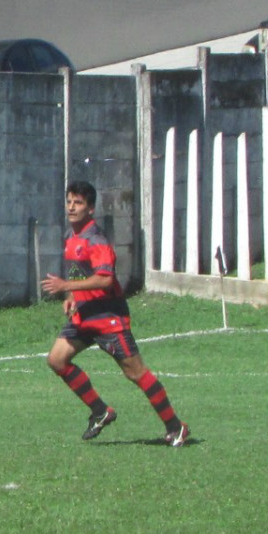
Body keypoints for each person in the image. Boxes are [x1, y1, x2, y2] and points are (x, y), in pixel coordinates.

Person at [42, 180, 189, 446]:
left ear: (91, 209)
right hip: (85, 315)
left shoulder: (96, 240)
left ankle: (175, 427)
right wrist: (71, 296)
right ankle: (101, 411)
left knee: (136, 373)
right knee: (57, 360)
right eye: (69, 201)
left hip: (108, 318)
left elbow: (105, 279)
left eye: (78, 203)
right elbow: (79, 273)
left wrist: (66, 286)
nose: (71, 207)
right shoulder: (71, 237)